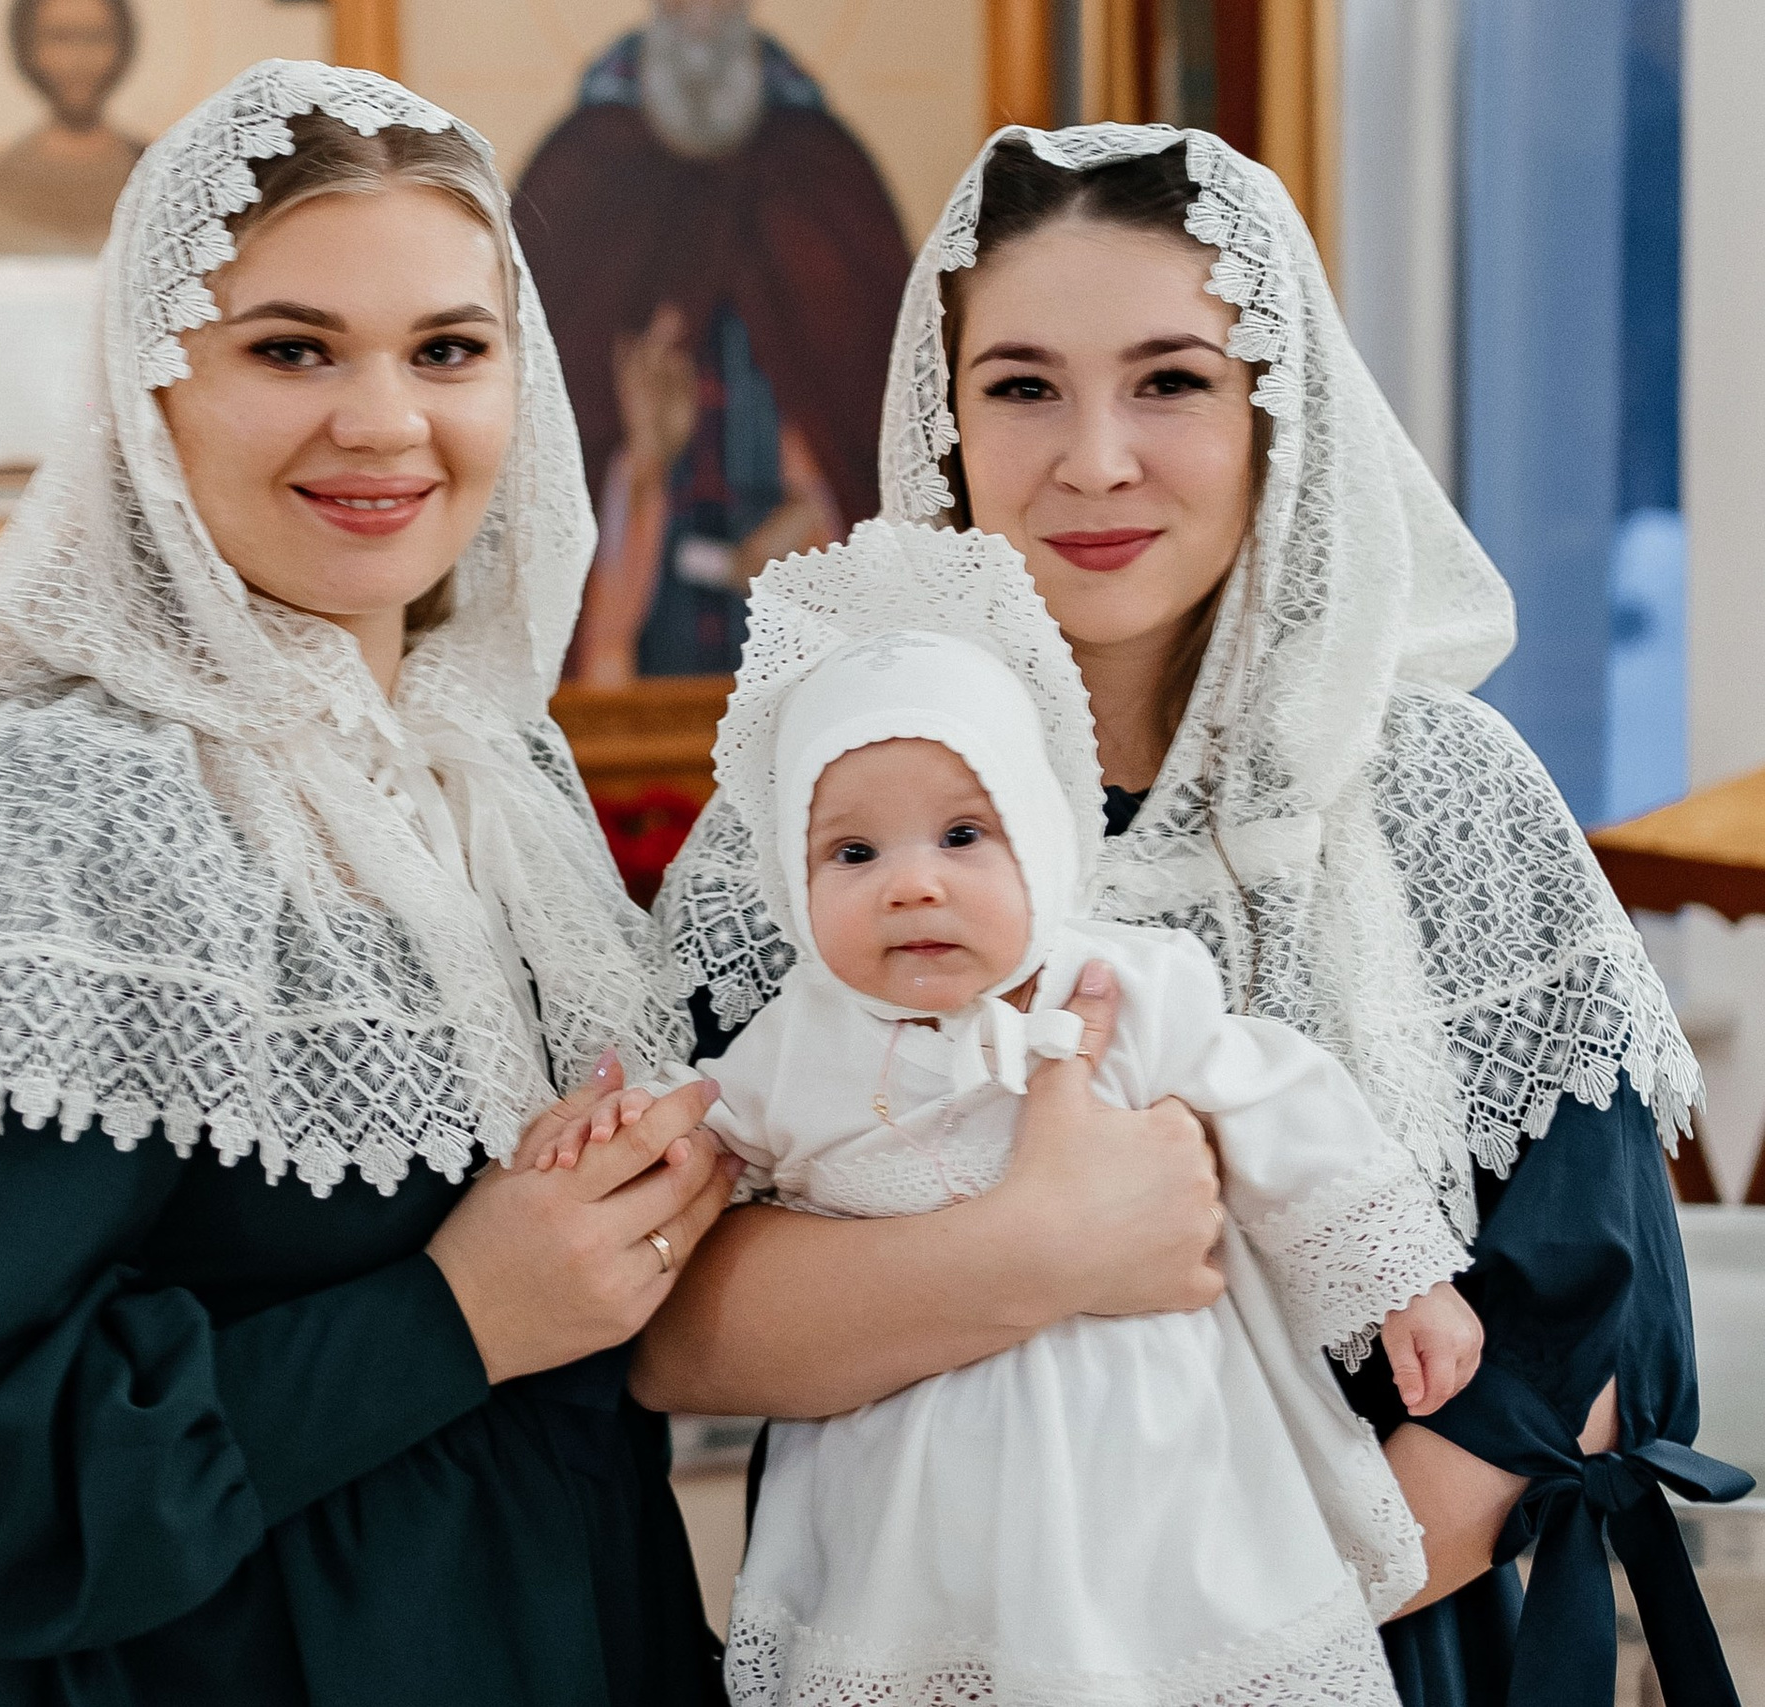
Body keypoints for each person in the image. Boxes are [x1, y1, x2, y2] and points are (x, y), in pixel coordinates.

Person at [641, 126, 1752, 1705]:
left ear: (1273, 412)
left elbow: (1592, 1297)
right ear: (944, 422)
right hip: (922, 1639)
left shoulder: (1437, 784)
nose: (1095, 458)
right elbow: (666, 1315)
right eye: (1022, 386)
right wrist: (1034, 1250)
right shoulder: (823, 812)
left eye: (1171, 379)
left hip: (1363, 1633)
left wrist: (1261, 1615)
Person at [0, 60, 736, 1706]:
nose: (387, 421)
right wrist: (453, 1314)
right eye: (291, 348)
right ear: (151, 385)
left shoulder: (499, 776)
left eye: (448, 351)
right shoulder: (41, 816)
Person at [634, 529, 1486, 1701]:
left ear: (1045, 840)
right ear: (793, 877)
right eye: (851, 851)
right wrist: (631, 1135)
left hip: (1148, 1447)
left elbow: (1284, 1101)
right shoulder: (799, 1037)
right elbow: (702, 1138)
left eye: (963, 836)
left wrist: (1401, 1280)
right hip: (907, 1475)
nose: (912, 881)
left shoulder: (1121, 987)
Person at [515, 0, 907, 682]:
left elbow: (875, 426)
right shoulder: (582, 169)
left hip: (808, 638)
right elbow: (533, 439)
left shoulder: (824, 168)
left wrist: (823, 518)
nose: (701, 11)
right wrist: (638, 467)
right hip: (636, 636)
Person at [0, 0, 143, 257]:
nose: (78, 59)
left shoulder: (154, 170)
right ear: (27, 48)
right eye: (60, 38)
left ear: (123, 46)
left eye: (95, 37)